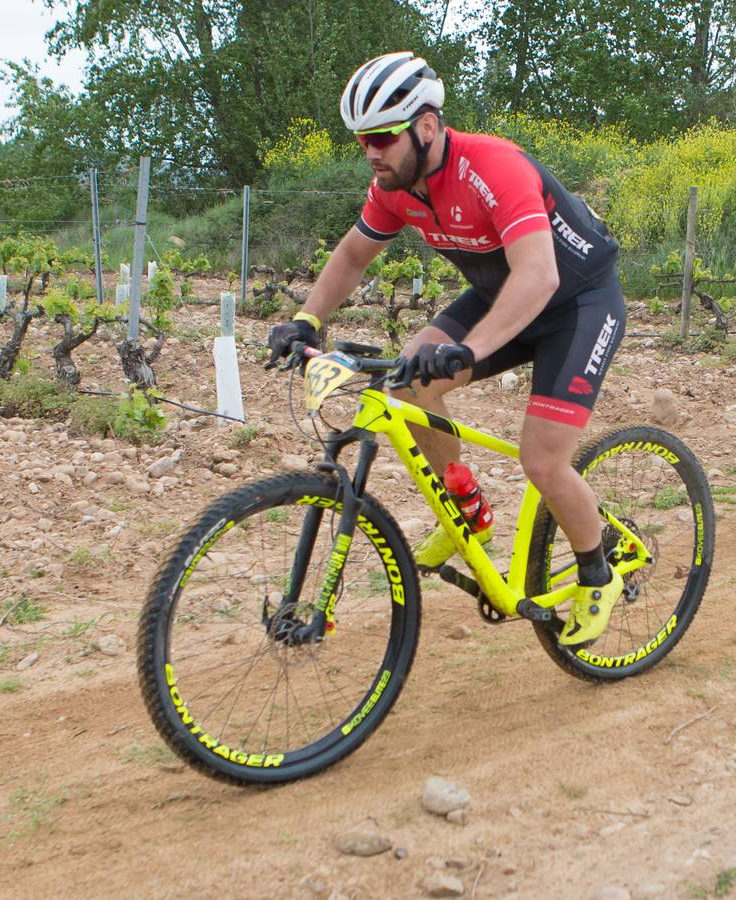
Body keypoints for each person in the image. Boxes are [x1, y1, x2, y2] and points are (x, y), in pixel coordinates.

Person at [265, 52, 627, 646]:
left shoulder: (493, 166)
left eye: (382, 136)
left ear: (426, 127)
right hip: (499, 292)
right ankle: (469, 509)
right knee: (407, 386)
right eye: (362, 140)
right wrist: (306, 319)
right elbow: (353, 255)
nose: (372, 152)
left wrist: (470, 349)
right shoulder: (394, 186)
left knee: (542, 460)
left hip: (578, 302)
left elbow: (539, 277)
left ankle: (597, 573)